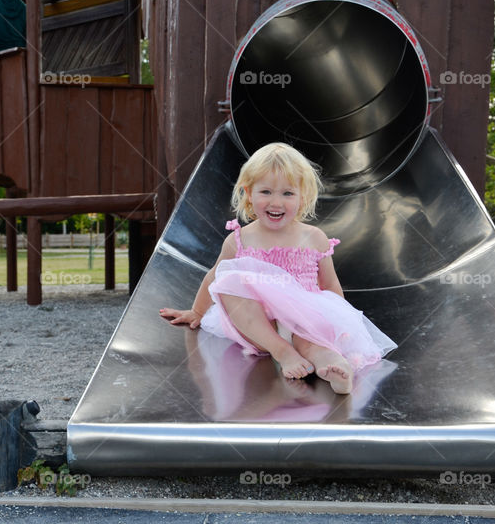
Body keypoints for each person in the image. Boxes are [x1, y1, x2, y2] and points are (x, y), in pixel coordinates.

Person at [159, 143, 396, 394]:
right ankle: (282, 351)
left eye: (287, 193)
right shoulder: (240, 238)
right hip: (258, 326)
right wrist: (197, 311)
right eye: (266, 191)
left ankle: (334, 368)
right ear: (248, 193)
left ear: (302, 196)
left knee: (311, 342)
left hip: (301, 318)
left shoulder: (314, 237)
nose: (276, 201)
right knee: (228, 279)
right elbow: (214, 276)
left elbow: (330, 285)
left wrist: (338, 324)